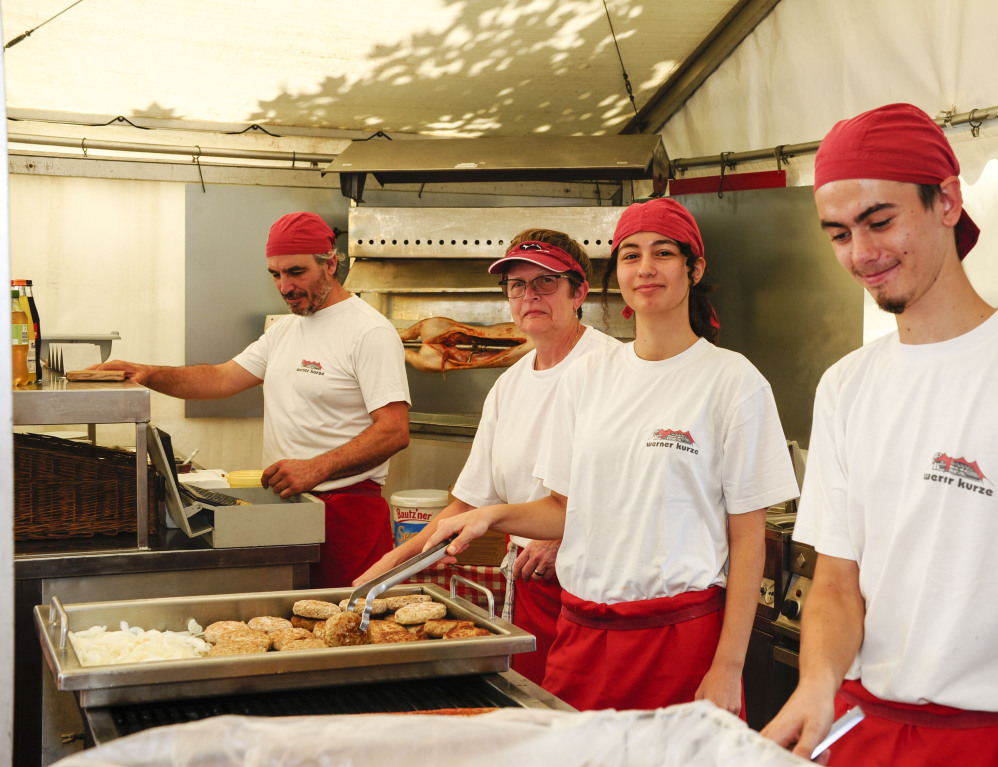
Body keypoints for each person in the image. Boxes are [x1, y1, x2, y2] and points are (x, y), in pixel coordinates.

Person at [425, 198, 798, 713]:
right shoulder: (588, 376)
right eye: (630, 255)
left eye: (663, 253)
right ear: (615, 274)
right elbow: (561, 509)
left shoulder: (732, 381)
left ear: (695, 268)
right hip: (581, 635)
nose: (645, 268)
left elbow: (748, 537)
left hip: (678, 636)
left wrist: (727, 666)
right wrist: (491, 516)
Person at [761, 103, 998, 765]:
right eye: (839, 233)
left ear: (947, 201)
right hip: (864, 724)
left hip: (995, 735)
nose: (862, 253)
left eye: (879, 221)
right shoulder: (846, 387)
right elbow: (836, 582)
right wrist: (816, 682)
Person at [355, 229, 619, 686]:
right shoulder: (509, 386)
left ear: (580, 292)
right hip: (534, 588)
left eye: (546, 282)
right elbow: (465, 506)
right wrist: (375, 577)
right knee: (538, 718)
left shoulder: (614, 369)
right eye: (518, 284)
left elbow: (637, 491)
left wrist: (567, 535)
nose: (529, 295)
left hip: (603, 591)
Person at [95, 211, 410, 587]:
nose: (284, 286)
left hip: (347, 514)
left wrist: (316, 468)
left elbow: (394, 431)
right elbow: (221, 378)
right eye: (275, 274)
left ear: (331, 264)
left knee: (344, 627)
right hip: (289, 504)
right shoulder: (286, 330)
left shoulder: (369, 331)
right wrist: (147, 373)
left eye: (296, 272)